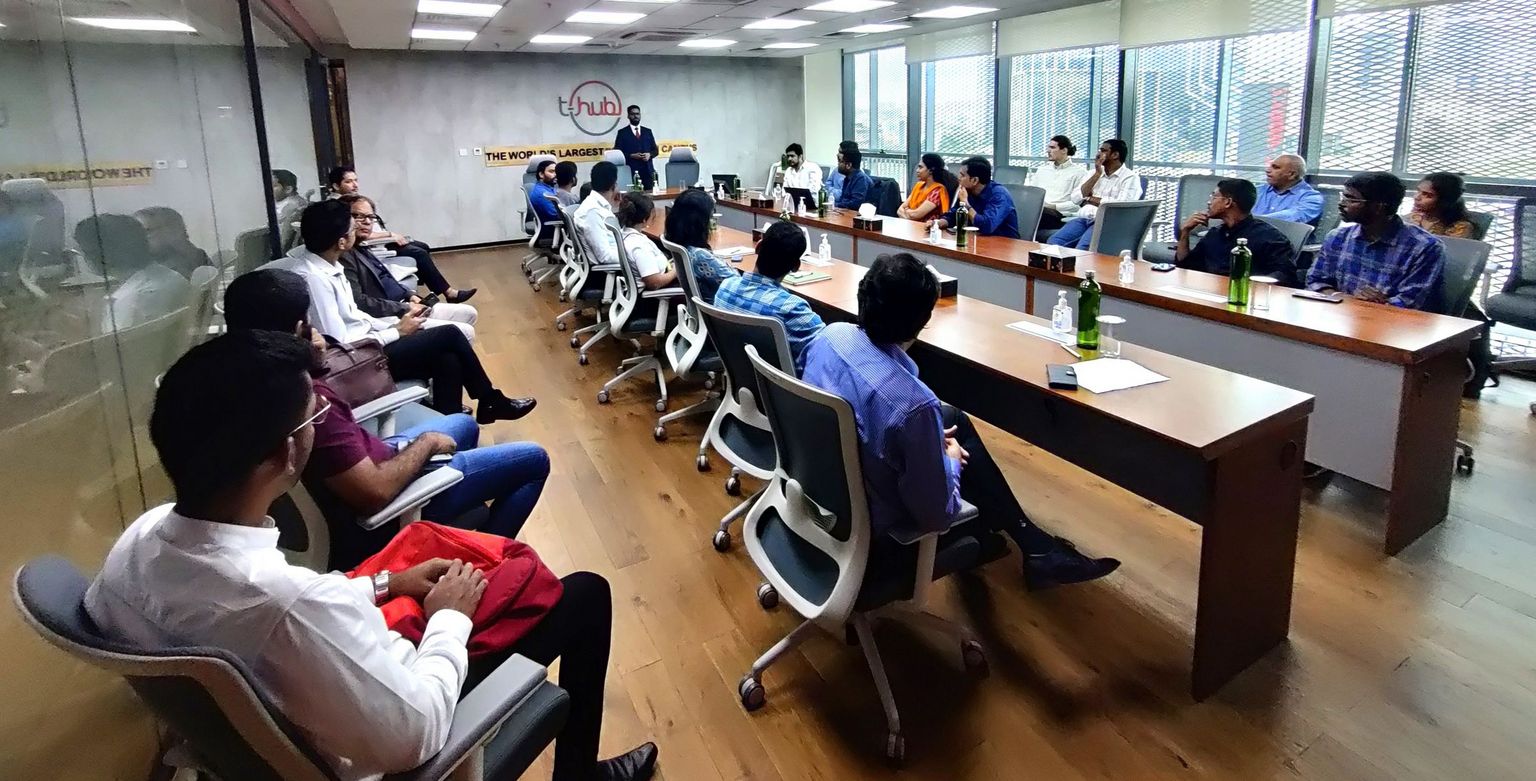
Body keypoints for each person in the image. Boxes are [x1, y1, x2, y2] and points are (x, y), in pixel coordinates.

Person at [82, 330, 659, 781]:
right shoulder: (290, 605)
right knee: (586, 595)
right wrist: (449, 618)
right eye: (314, 416)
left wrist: (387, 585)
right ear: (287, 452)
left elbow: (290, 619)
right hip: (399, 744)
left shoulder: (138, 543)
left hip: (271, 732)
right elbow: (417, 735)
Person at [801, 253, 1119, 590]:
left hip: (819, 490)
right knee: (961, 468)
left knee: (954, 419)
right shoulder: (914, 406)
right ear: (922, 320)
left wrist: (924, 441)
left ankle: (1033, 543)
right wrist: (950, 460)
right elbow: (936, 516)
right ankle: (1030, 546)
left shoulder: (830, 335)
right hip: (876, 531)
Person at [223, 268, 547, 562]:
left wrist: (314, 362)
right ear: (299, 330)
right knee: (534, 460)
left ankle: (453, 522)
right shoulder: (311, 405)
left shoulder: (248, 381)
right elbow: (373, 493)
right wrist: (427, 443)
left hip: (368, 460)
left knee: (463, 423)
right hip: (385, 504)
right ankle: (483, 563)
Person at [276, 200, 533, 419]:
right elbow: (341, 343)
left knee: (448, 358)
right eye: (353, 228)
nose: (359, 230)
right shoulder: (315, 280)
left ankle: (452, 422)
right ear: (342, 241)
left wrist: (394, 323)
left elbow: (355, 317)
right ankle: (490, 400)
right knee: (450, 334)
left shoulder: (330, 265)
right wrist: (396, 332)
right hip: (357, 362)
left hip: (370, 343)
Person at [328, 166, 476, 304]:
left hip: (378, 241)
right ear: (336, 185)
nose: (355, 185)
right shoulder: (337, 207)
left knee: (422, 246)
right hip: (374, 245)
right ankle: (449, 293)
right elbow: (358, 233)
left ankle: (430, 288)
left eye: (356, 180)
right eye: (348, 181)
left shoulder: (356, 201)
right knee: (419, 253)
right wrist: (390, 235)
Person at [340, 194, 478, 340]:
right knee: (465, 331)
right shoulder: (345, 256)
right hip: (390, 316)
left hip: (405, 304)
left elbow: (386, 278)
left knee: (469, 313)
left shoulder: (360, 247)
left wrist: (410, 295)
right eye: (359, 217)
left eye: (370, 217)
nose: (367, 222)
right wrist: (406, 308)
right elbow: (359, 302)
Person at [1307, 171, 1446, 310]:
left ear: (1378, 206)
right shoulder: (1338, 237)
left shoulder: (1425, 247)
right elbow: (1315, 280)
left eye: (1351, 199)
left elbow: (1411, 301)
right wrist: (1341, 297)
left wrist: (1378, 304)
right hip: (1340, 313)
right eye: (1343, 197)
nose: (1341, 204)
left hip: (1392, 320)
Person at [714, 221, 825, 371]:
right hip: (780, 384)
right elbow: (829, 347)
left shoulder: (725, 287)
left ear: (758, 246)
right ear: (796, 266)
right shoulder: (792, 309)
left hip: (739, 374)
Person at [75, 214, 191, 334]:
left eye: (84, 251)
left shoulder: (130, 302)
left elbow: (114, 344)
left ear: (98, 255)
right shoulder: (172, 277)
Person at [1175, 178, 1300, 287]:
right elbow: (1186, 266)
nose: (1209, 202)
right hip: (1210, 293)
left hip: (1248, 297)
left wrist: (1248, 286)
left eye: (1214, 197)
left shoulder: (1270, 237)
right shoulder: (1214, 234)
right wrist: (1185, 232)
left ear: (1228, 202)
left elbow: (1285, 275)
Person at [1046, 139, 1142, 250]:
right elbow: (1076, 199)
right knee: (1053, 243)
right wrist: (1097, 174)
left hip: (1106, 223)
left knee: (1083, 249)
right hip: (1083, 219)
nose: (1098, 154)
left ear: (1115, 155)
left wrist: (1089, 199)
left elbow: (1120, 206)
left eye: (1103, 151)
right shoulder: (1093, 173)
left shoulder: (1130, 178)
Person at [664, 188, 736, 304]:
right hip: (720, 307)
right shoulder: (699, 256)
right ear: (700, 222)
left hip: (708, 305)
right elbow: (736, 283)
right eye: (710, 217)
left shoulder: (679, 242)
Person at [929, 156, 1020, 239]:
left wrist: (966, 204)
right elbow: (953, 215)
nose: (958, 178)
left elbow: (987, 226)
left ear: (974, 180)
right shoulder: (967, 190)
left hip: (1004, 243)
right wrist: (938, 223)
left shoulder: (999, 195)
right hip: (976, 239)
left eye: (962, 175)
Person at [1026, 135, 1088, 231]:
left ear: (1064, 150)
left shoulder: (1079, 173)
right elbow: (1031, 194)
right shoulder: (1042, 170)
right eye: (1048, 147)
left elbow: (1078, 204)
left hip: (1058, 214)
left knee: (1038, 213)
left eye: (1052, 147)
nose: (1048, 151)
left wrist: (1053, 206)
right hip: (1038, 210)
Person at [616, 193, 677, 290]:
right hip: (659, 291)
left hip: (664, 274)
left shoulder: (625, 234)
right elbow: (654, 283)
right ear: (644, 219)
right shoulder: (639, 246)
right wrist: (675, 271)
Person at [133, 206, 213, 280]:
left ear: (175, 230)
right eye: (135, 233)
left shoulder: (181, 267)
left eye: (147, 231)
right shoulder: (140, 263)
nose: (138, 238)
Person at [575, 161, 623, 268]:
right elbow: (604, 256)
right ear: (614, 185)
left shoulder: (599, 205)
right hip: (610, 270)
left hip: (619, 254)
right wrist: (634, 256)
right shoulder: (592, 212)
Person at [1255, 154, 1324, 226]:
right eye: (1270, 166)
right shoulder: (1258, 191)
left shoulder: (1312, 198)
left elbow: (1294, 215)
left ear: (1292, 174)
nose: (1267, 170)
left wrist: (1253, 221)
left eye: (1276, 167)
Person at [1409, 172, 1477, 238]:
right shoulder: (1415, 217)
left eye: (1428, 195)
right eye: (1418, 191)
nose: (1416, 197)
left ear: (1444, 201)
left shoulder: (1460, 228)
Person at [896, 154, 956, 222]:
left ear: (931, 170)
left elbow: (916, 215)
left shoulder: (937, 190)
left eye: (920, 167)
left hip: (925, 227)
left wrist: (906, 211)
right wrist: (909, 216)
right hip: (910, 224)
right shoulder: (918, 186)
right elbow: (899, 210)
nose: (917, 170)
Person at [613, 104, 659, 189]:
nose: (635, 116)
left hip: (648, 172)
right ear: (628, 116)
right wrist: (631, 155)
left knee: (650, 195)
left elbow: (655, 150)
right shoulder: (622, 133)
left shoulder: (647, 131)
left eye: (637, 114)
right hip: (631, 172)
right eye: (633, 114)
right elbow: (617, 152)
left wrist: (649, 155)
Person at [273, 169, 311, 249]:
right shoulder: (294, 202)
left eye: (273, 186)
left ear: (288, 189)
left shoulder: (292, 206)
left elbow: (284, 240)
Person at [529, 159, 562, 228]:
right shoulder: (542, 193)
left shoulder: (550, 188)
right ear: (541, 174)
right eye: (551, 171)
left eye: (556, 172)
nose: (556, 174)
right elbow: (556, 216)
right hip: (552, 228)